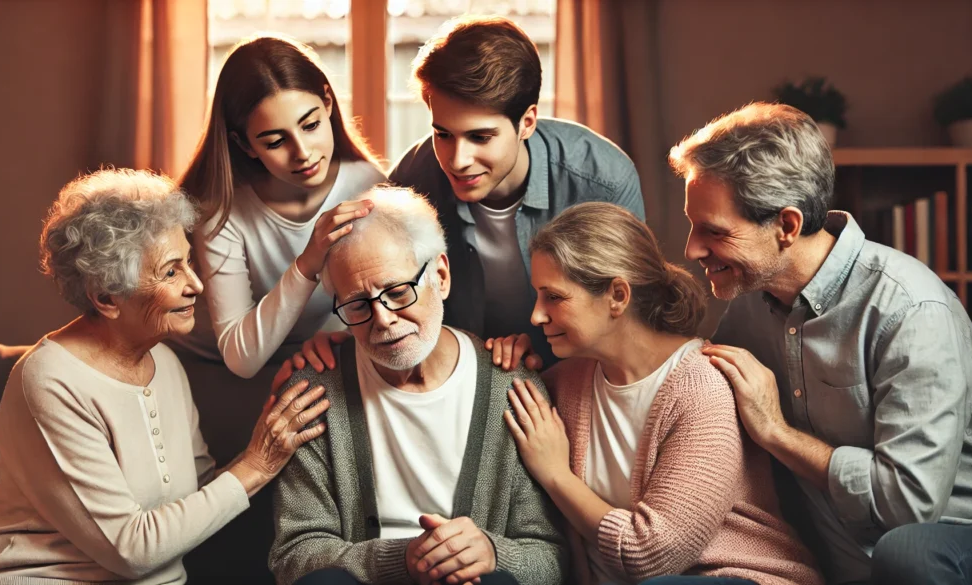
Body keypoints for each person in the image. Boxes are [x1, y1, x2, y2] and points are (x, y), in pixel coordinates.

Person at [0, 169, 329, 584]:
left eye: (188, 261)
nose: (195, 284)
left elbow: (203, 500)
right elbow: (132, 551)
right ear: (106, 297)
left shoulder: (165, 363)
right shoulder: (49, 381)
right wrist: (257, 463)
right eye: (170, 272)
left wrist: (275, 428)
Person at [670, 102, 972, 584]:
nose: (691, 249)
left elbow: (908, 506)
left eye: (714, 231)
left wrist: (776, 432)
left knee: (908, 552)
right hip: (814, 556)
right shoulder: (751, 301)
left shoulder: (911, 312)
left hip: (939, 547)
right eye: (693, 225)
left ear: (787, 226)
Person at [503, 202, 821, 585]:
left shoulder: (702, 387)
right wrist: (507, 361)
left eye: (553, 297)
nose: (536, 316)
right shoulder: (567, 382)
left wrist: (555, 474)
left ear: (618, 295)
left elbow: (652, 555)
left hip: (734, 578)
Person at [268, 186, 567, 585]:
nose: (383, 319)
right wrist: (402, 560)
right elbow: (294, 555)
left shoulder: (513, 387)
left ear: (440, 277)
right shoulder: (313, 393)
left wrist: (493, 553)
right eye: (357, 304)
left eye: (396, 292)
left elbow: (551, 559)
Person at [387, 15, 645, 368]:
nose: (458, 160)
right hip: (458, 374)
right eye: (443, 134)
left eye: (480, 137)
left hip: (577, 374)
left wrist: (547, 350)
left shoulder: (602, 180)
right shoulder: (412, 179)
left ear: (527, 122)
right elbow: (392, 301)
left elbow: (630, 320)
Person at [171, 35, 385, 378]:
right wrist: (307, 263)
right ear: (245, 144)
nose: (302, 152)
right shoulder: (221, 210)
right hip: (204, 367)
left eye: (311, 125)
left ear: (328, 102)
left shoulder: (368, 185)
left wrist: (339, 338)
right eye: (275, 141)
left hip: (305, 363)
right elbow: (241, 359)